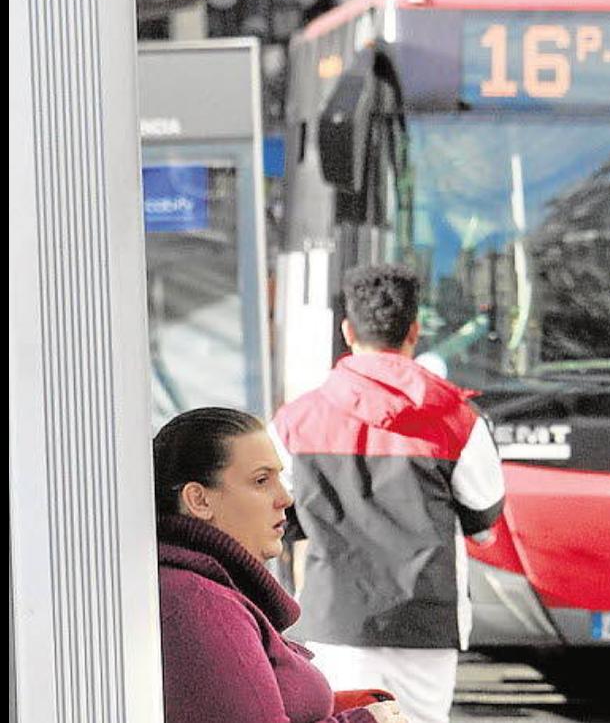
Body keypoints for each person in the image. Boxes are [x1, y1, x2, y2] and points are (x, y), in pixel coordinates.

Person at [270, 263, 506, 723]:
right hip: (426, 623)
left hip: (333, 619)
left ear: (347, 331)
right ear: (414, 331)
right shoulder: (457, 417)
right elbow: (484, 511)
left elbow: (275, 514)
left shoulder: (296, 420)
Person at [153, 407, 407, 723]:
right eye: (261, 480)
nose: (285, 497)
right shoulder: (200, 601)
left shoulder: (208, 589)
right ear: (199, 500)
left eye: (279, 477)